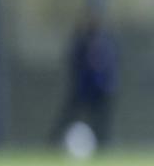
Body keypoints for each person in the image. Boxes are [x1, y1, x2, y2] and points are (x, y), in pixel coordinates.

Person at [49, 12, 118, 148]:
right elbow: (74, 64)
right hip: (82, 89)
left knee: (101, 121)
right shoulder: (81, 43)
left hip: (100, 91)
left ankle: (103, 144)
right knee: (69, 116)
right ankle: (53, 141)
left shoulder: (104, 43)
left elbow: (109, 67)